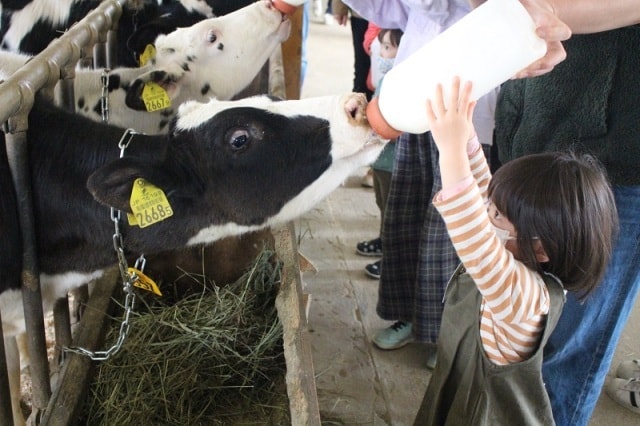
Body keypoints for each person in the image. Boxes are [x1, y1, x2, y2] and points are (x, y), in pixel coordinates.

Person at [413, 77, 617, 425]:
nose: (485, 212)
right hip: (459, 393)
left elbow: (473, 235)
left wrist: (449, 151)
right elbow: (482, 188)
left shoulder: (524, 298)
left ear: (540, 249)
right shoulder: (518, 250)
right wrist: (465, 139)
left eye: (496, 215)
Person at [492, 2, 640, 424]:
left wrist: (542, 11)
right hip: (534, 123)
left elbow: (542, 10)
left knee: (572, 340)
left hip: (617, 160)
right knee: (521, 323)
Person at [343, 0, 498, 363]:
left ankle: (450, 334)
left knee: (454, 228)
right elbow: (393, 9)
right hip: (415, 103)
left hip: (468, 111)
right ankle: (411, 316)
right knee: (408, 212)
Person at [355, 28, 403, 280]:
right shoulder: (385, 79)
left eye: (387, 48)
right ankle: (383, 240)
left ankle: (391, 257)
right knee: (382, 203)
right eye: (381, 47)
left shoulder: (401, 82)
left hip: (395, 159)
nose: (381, 53)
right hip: (382, 159)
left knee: (394, 210)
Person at [331, 0, 373, 100]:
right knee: (362, 67)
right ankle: (359, 107)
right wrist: (339, 6)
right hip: (363, 13)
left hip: (402, 16)